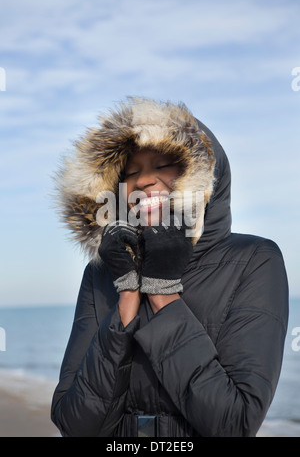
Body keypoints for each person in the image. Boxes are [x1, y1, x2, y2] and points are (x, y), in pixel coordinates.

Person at [51, 97, 289, 437]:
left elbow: (235, 424)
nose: (145, 181)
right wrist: (128, 296)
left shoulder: (255, 259)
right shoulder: (101, 273)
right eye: (132, 172)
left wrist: (163, 295)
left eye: (163, 165)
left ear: (201, 175)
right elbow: (74, 425)